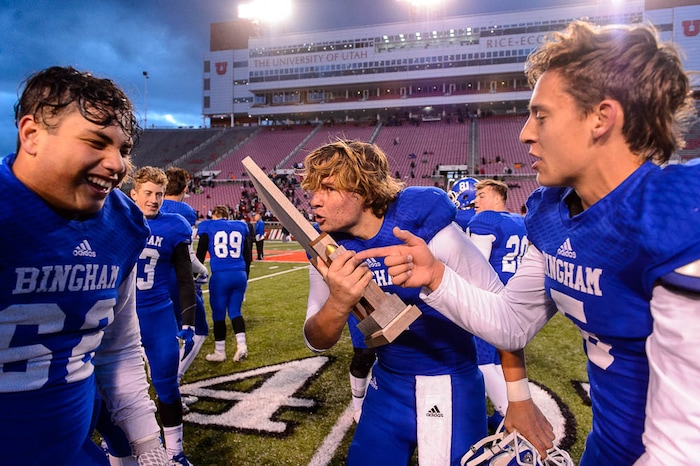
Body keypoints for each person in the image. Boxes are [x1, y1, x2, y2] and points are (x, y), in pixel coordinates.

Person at [356, 21, 700, 466]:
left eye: (541, 114)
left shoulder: (675, 213)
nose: (525, 133)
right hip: (608, 447)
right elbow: (512, 322)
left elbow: (687, 441)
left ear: (601, 117)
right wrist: (438, 277)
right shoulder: (553, 212)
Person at [301, 140, 553, 465]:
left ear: (362, 189)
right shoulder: (329, 250)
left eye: (328, 188)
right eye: (313, 190)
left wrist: (518, 399)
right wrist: (337, 303)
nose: (314, 201)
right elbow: (316, 340)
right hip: (386, 382)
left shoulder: (429, 232)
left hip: (450, 383)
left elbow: (500, 313)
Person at [0, 66, 167, 464]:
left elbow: (119, 349)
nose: (117, 164)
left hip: (70, 447)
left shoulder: (123, 224)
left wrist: (147, 447)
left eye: (123, 150)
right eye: (96, 142)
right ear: (32, 135)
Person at [130, 166, 196, 466]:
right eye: (148, 193)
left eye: (159, 194)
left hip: (158, 314)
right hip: (122, 319)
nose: (154, 199)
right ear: (134, 194)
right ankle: (116, 446)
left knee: (167, 384)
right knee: (120, 390)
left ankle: (174, 454)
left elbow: (185, 278)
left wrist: (188, 320)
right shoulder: (118, 219)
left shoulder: (174, 225)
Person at [467, 179, 529, 430]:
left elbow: (476, 264)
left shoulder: (485, 221)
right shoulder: (520, 221)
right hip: (518, 299)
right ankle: (503, 408)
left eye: (481, 195)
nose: (475, 201)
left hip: (492, 299)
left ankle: (508, 415)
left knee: (482, 360)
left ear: (496, 197)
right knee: (500, 359)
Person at [160, 166, 210, 391]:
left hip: (146, 280)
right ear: (185, 187)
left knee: (161, 333)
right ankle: (174, 383)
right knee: (198, 331)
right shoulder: (185, 211)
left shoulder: (148, 206)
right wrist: (203, 269)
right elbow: (186, 255)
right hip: (174, 278)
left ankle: (161, 383)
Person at [196, 205, 252, 362]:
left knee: (219, 314)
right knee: (235, 311)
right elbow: (247, 256)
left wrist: (194, 275)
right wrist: (245, 277)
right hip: (240, 274)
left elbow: (200, 255)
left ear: (214, 215)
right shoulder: (241, 226)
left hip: (221, 276)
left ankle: (220, 351)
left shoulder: (209, 226)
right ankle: (242, 345)